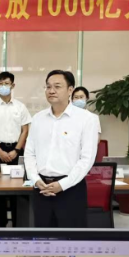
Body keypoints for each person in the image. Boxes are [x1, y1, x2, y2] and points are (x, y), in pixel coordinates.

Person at [24, 70, 99, 228]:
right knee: (43, 238)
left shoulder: (87, 119)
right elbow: (29, 153)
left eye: (57, 86)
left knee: (71, 239)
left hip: (71, 189)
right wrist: (35, 179)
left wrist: (62, 185)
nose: (51, 91)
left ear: (70, 90)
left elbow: (86, 159)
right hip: (42, 189)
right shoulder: (38, 119)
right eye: (48, 87)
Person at [0, 71, 32, 227]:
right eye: (1, 84)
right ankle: (1, 223)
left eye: (7, 83)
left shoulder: (20, 107)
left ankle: (18, 223)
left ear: (13, 85)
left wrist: (16, 150)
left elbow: (25, 130)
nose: (3, 86)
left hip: (16, 149)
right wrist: (0, 152)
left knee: (17, 187)